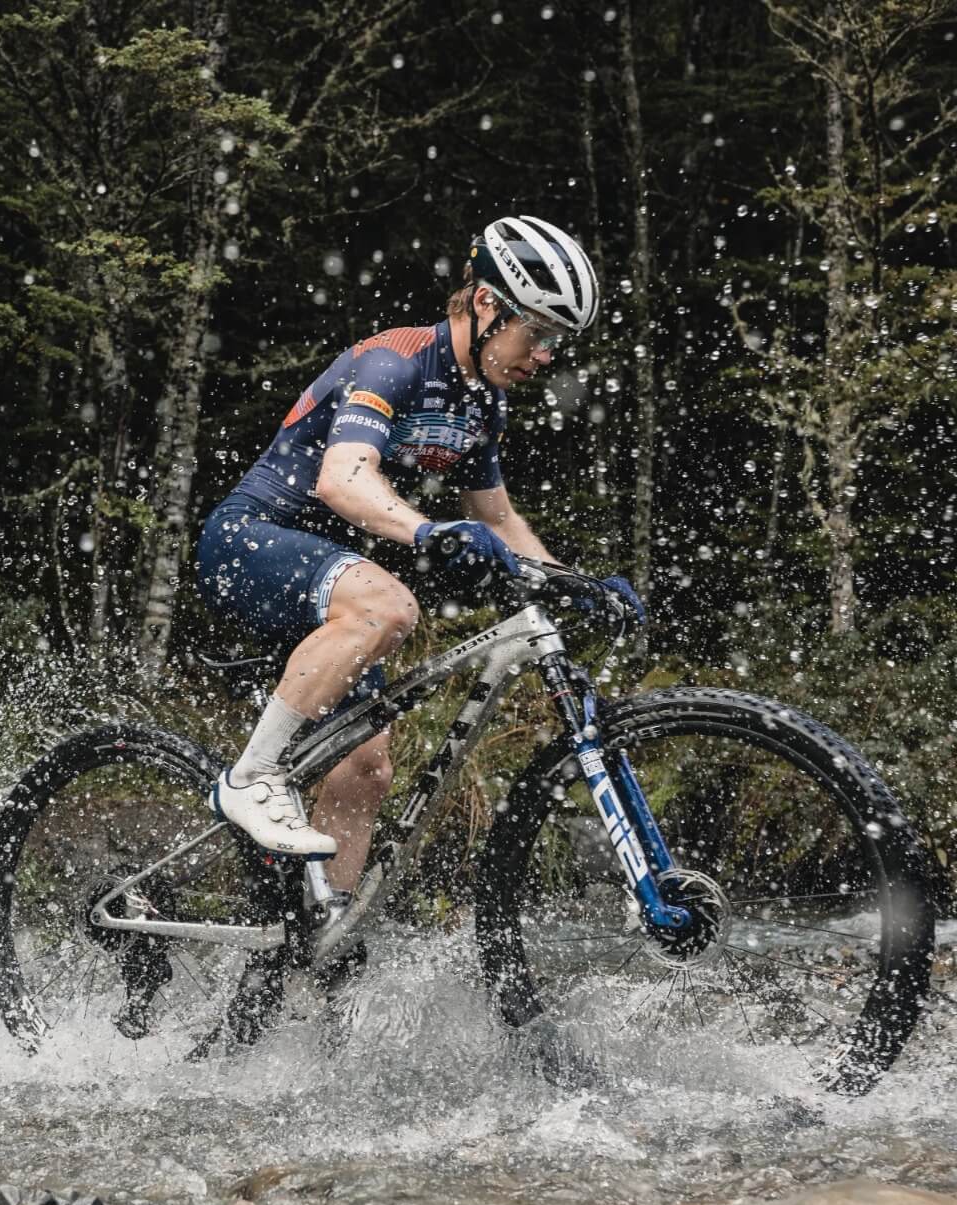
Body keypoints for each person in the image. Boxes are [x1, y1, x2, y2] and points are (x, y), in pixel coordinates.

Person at [195, 214, 639, 897]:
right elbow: (341, 476)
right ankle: (249, 779)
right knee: (389, 606)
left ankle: (323, 938)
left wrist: (574, 585)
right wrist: (429, 533)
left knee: (366, 765)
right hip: (247, 540)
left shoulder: (483, 404)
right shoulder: (395, 360)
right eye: (539, 334)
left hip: (328, 581)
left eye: (557, 342)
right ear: (488, 303)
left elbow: (498, 518)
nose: (546, 356)